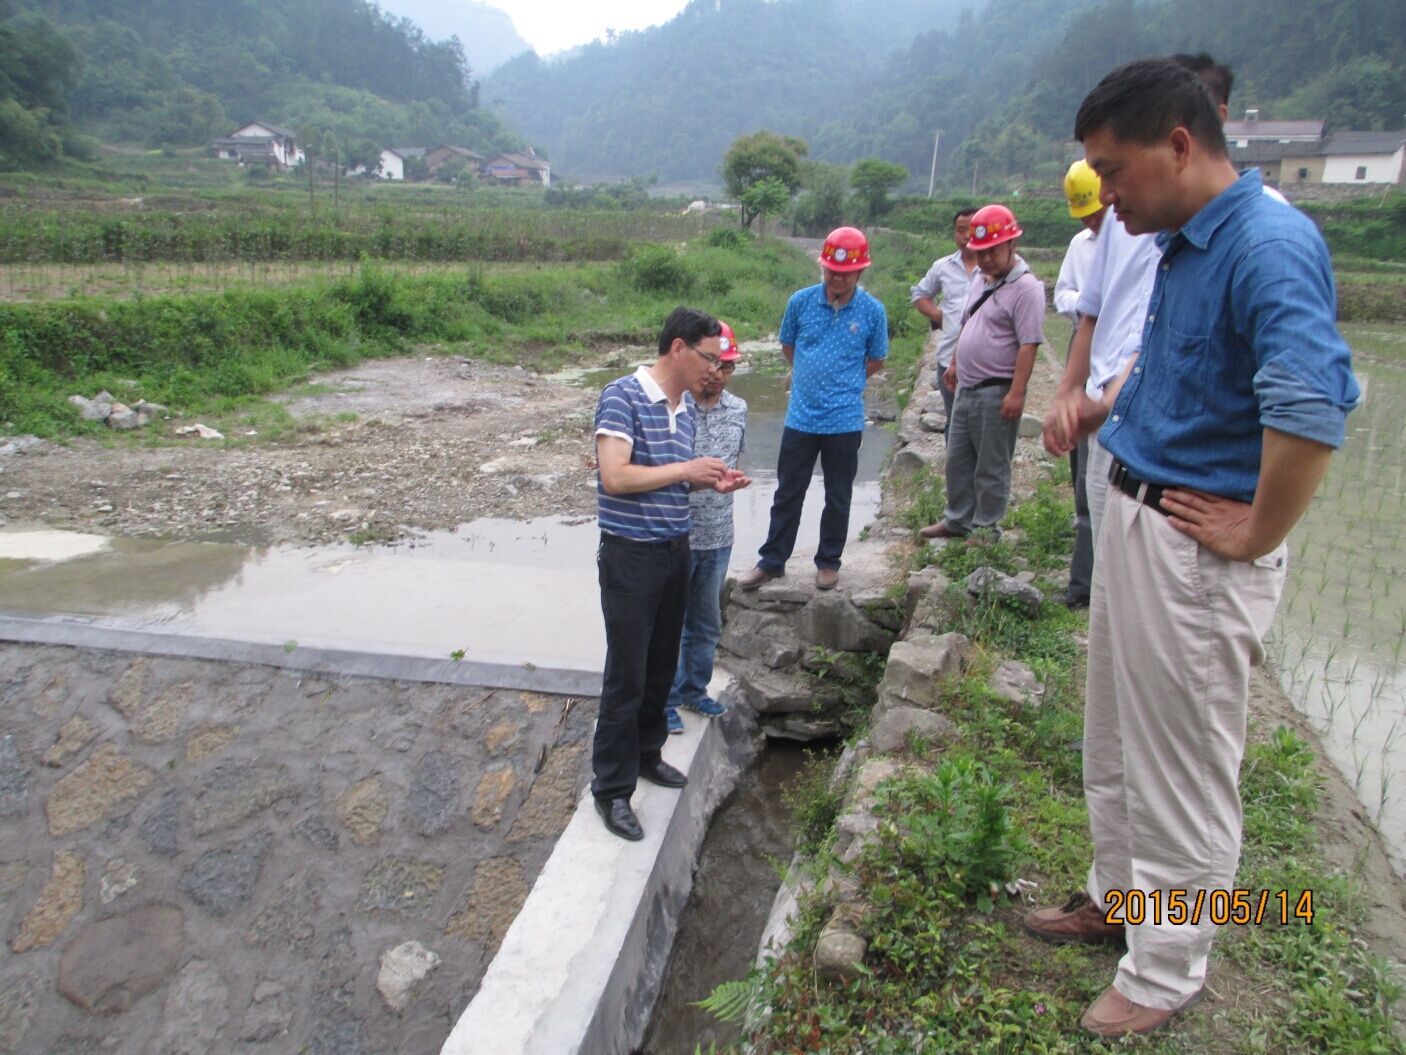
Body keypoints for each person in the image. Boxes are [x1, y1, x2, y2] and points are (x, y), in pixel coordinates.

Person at [1021, 59, 1359, 1038]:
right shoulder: (1180, 238)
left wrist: (1257, 529)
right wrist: (1102, 402)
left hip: (1192, 548)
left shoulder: (1267, 244)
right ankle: (1118, 897)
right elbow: (1173, 357)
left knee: (1180, 766)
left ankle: (1166, 965)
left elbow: (1308, 403)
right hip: (1134, 506)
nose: (1106, 196)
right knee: (1119, 736)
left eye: (1112, 171)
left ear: (1177, 143)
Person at [592, 307, 750, 841]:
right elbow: (615, 476)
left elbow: (663, 481)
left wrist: (708, 482)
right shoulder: (623, 395)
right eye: (708, 357)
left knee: (661, 666)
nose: (714, 368)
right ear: (678, 349)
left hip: (673, 549)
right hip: (631, 556)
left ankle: (647, 755)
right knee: (627, 674)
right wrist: (686, 470)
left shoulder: (683, 410)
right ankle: (611, 790)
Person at [737, 226, 887, 592]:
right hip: (801, 417)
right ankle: (772, 561)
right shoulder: (800, 302)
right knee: (788, 491)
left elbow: (877, 359)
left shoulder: (872, 311)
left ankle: (828, 562)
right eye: (830, 270)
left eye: (845, 272)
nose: (836, 277)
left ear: (860, 272)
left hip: (845, 419)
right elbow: (789, 346)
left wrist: (844, 381)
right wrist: (807, 376)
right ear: (822, 267)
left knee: (839, 494)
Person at [918, 204, 1045, 541]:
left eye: (993, 251)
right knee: (958, 459)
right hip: (967, 386)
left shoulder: (1027, 288)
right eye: (981, 251)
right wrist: (957, 362)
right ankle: (957, 519)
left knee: (991, 465)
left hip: (997, 389)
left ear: (1012, 246)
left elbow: (1028, 344)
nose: (986, 258)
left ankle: (986, 529)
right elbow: (967, 322)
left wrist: (1016, 392)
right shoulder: (980, 279)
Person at [664, 322, 747, 734]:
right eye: (713, 363)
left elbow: (732, 461)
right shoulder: (673, 407)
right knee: (669, 623)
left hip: (719, 535)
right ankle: (663, 701)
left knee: (706, 621)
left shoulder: (739, 410)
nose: (717, 373)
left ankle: (695, 691)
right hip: (677, 535)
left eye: (727, 366)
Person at [1052, 161, 1106, 607]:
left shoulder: (1144, 238)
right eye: (1084, 215)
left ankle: (1100, 587)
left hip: (1118, 364)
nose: (1092, 222)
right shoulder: (1082, 245)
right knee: (1085, 480)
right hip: (1087, 348)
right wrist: (1088, 305)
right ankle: (1083, 586)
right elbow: (1063, 294)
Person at [909, 208, 979, 432]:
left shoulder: (993, 268)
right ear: (954, 233)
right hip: (948, 358)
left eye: (973, 230)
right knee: (955, 422)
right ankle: (955, 466)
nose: (966, 236)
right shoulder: (943, 266)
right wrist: (937, 315)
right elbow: (919, 294)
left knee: (979, 425)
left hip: (983, 363)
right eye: (960, 230)